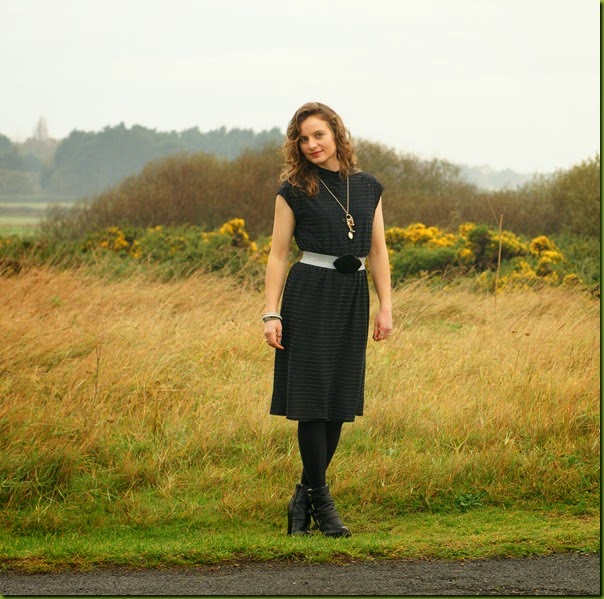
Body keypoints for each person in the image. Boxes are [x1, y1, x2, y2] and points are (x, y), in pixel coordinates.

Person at [263, 102, 393, 537]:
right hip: (309, 294)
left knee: (338, 403)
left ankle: (304, 495)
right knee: (311, 405)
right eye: (303, 138)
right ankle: (323, 502)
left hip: (351, 296)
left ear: (336, 134)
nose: (311, 144)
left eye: (318, 134)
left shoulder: (368, 186)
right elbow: (279, 254)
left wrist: (386, 306)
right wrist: (271, 312)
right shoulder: (293, 189)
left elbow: (377, 250)